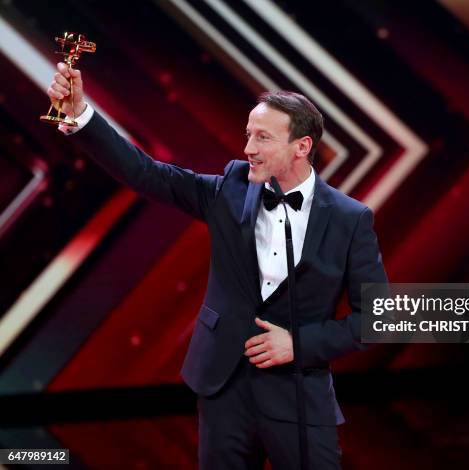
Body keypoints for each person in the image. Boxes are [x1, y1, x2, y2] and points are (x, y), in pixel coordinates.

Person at [47, 61, 388, 469]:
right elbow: (146, 173)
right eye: (248, 135)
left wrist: (299, 344)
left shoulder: (350, 219)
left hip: (297, 395)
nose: (248, 148)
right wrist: (81, 115)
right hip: (223, 388)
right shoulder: (230, 189)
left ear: (302, 146)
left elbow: (376, 319)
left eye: (262, 137)